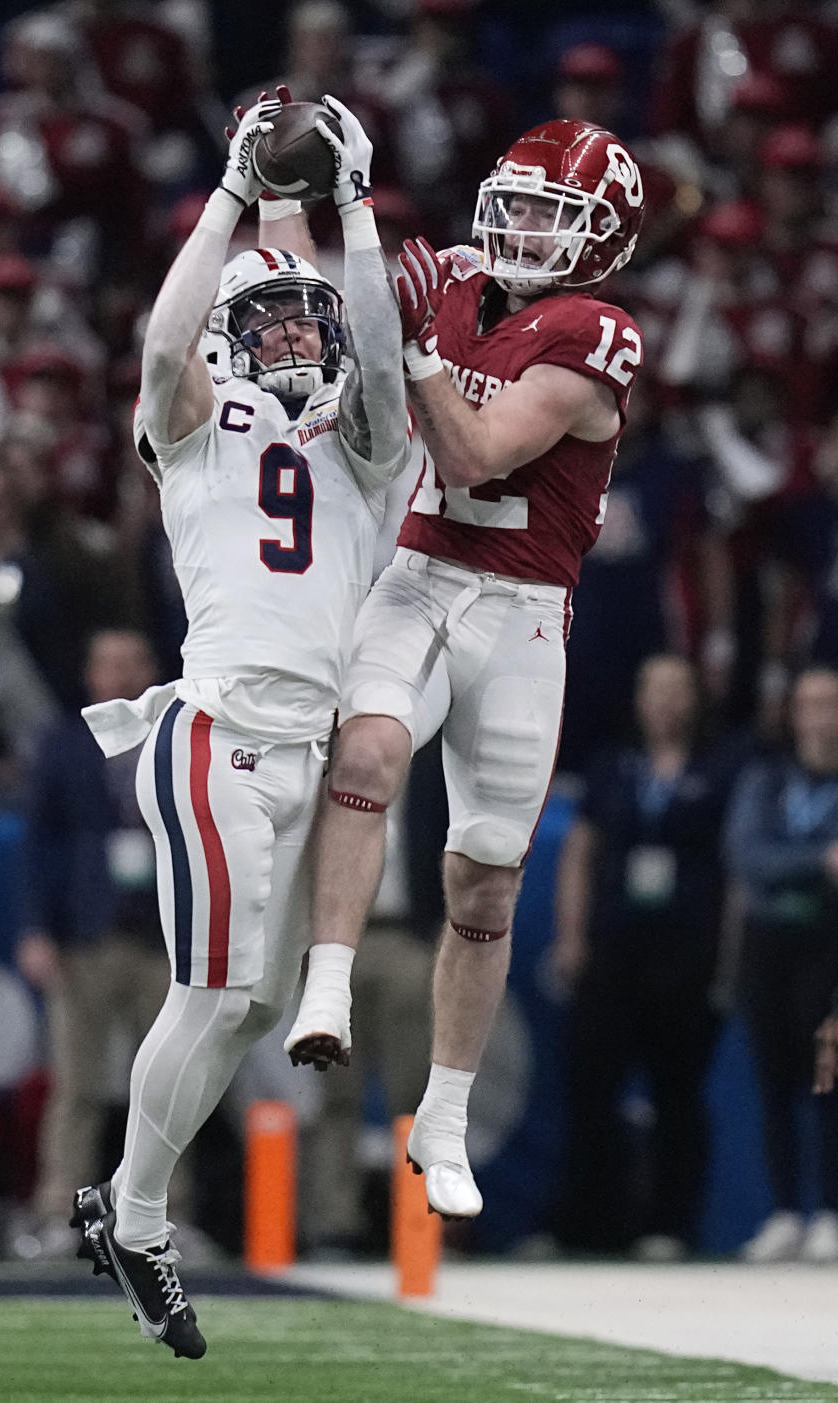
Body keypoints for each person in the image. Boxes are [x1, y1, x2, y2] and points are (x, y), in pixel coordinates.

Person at [69, 91, 408, 1358]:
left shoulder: (361, 442)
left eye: (300, 309)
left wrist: (352, 216)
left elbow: (377, 362)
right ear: (228, 333)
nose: (290, 328)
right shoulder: (199, 426)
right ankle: (140, 1212)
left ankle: (128, 1203)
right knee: (213, 993)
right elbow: (161, 359)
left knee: (253, 1006)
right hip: (214, 728)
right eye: (260, 312)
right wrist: (230, 199)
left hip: (304, 747)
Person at [285, 117, 646, 1222]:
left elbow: (480, 450)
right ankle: (329, 983)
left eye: (551, 211)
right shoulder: (454, 285)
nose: (522, 224)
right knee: (370, 744)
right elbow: (365, 409)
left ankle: (442, 1114)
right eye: (520, 201)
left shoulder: (595, 331)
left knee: (485, 874)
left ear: (599, 240)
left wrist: (423, 351)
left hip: (526, 611)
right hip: (421, 574)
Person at [16, 630, 206, 1260]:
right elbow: (38, 841)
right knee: (78, 1084)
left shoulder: (181, 737)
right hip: (88, 937)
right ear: (90, 675)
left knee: (175, 1086)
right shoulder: (65, 743)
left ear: (154, 671)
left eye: (133, 665)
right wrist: (37, 929)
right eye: (109, 666)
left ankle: (169, 1216)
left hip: (166, 938)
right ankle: (56, 1215)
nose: (122, 677)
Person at [546, 655, 736, 1260]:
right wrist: (572, 937)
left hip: (684, 949)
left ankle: (669, 1224)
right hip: (614, 947)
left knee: (676, 1089)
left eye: (677, 690)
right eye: (653, 690)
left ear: (694, 699)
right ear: (638, 699)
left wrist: (725, 960)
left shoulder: (721, 768)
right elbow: (579, 851)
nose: (665, 703)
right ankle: (586, 1222)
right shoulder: (613, 765)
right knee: (591, 1086)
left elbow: (733, 869)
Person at [725, 666, 838, 1263]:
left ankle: (830, 1212)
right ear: (793, 715)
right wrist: (819, 862)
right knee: (774, 1080)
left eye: (830, 705)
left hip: (829, 944)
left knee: (828, 1078)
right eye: (809, 705)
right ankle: (786, 1211)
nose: (820, 718)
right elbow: (749, 858)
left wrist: (792, 864)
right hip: (771, 944)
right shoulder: (766, 780)